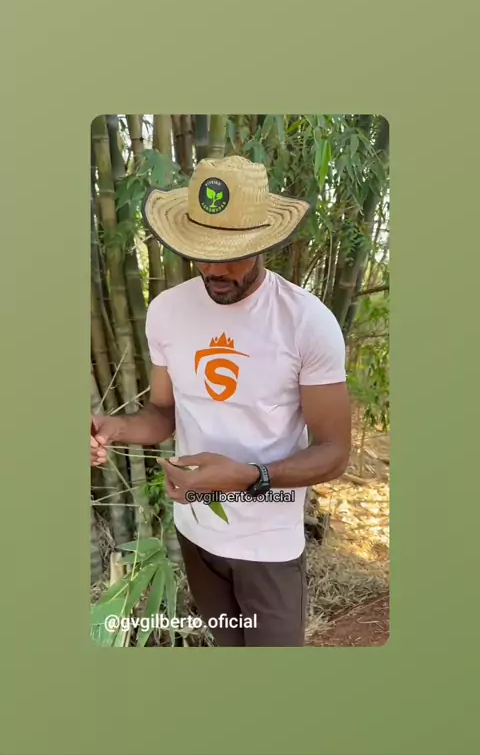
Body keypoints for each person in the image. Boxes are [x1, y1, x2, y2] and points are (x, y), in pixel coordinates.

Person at [91, 154, 351, 647]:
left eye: (231, 254)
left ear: (263, 243)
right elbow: (163, 414)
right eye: (201, 252)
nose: (213, 269)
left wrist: (250, 477)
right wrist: (113, 427)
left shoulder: (306, 322)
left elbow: (335, 452)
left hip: (268, 545)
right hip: (195, 531)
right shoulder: (167, 311)